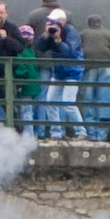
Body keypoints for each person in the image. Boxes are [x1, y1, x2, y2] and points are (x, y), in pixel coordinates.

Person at [35, 9, 84, 139]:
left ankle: (81, 131)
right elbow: (40, 48)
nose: (52, 24)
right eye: (50, 21)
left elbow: (69, 52)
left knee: (68, 102)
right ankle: (56, 133)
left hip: (73, 71)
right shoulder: (51, 33)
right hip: (58, 72)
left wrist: (58, 40)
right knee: (50, 102)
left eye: (55, 21)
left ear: (63, 21)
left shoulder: (71, 32)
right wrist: (46, 35)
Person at [82, 14, 110, 139]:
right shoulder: (107, 33)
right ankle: (102, 136)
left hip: (89, 66)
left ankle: (91, 134)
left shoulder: (84, 34)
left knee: (89, 100)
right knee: (105, 101)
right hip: (107, 67)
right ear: (100, 23)